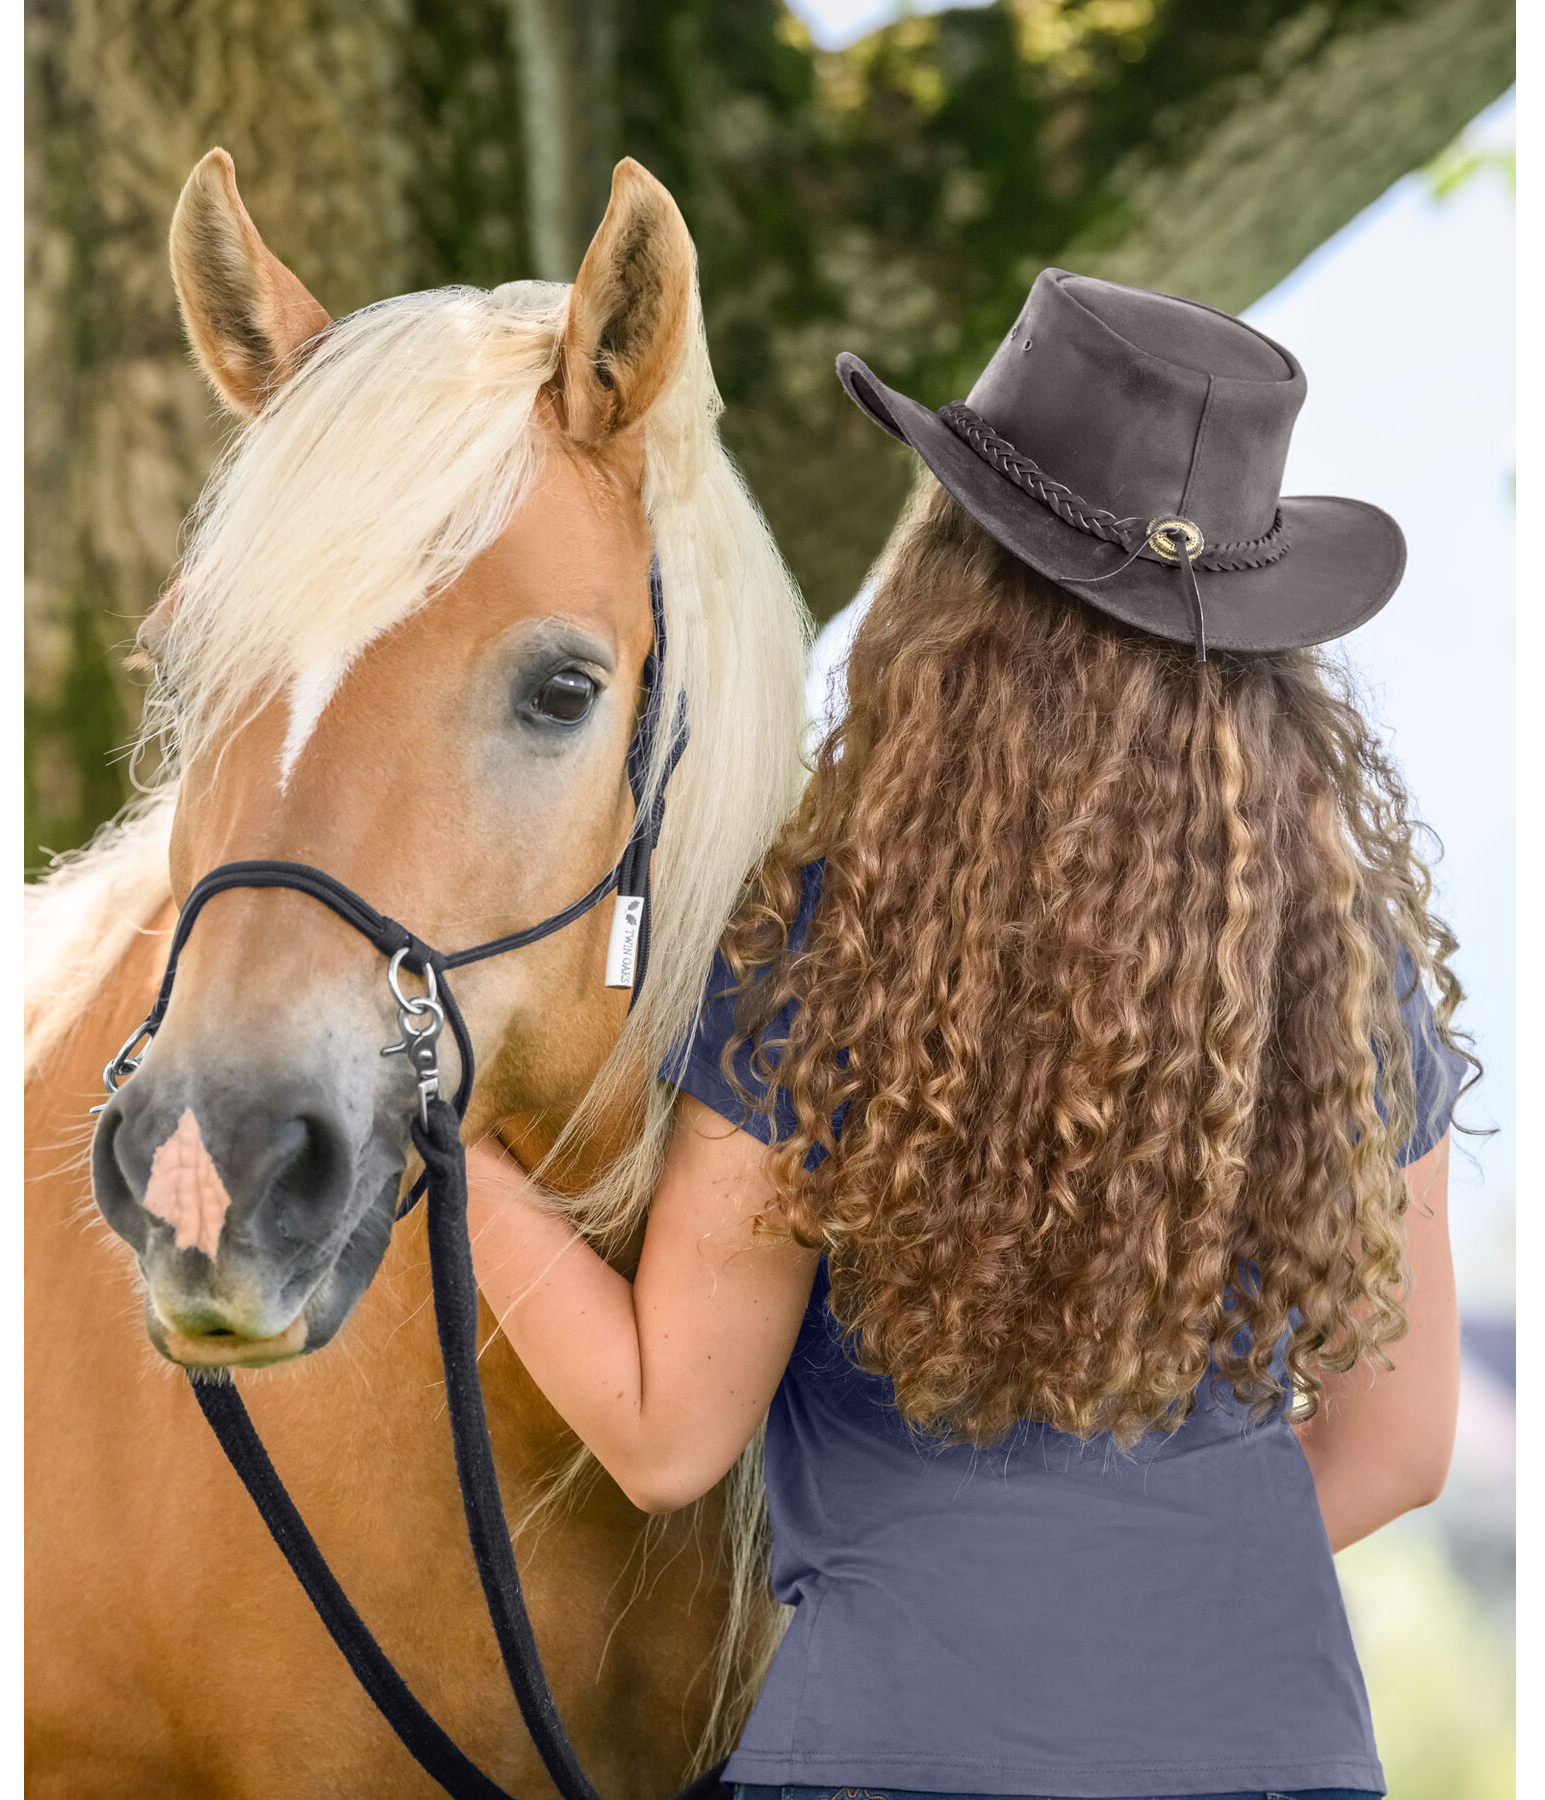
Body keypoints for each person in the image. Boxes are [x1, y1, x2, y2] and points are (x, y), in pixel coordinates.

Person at [463, 269, 1476, 1800]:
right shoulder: (1346, 975)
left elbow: (667, 1433)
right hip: (1280, 1758)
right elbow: (1396, 1450)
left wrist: (450, 1153)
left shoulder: (825, 953)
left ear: (951, 599)